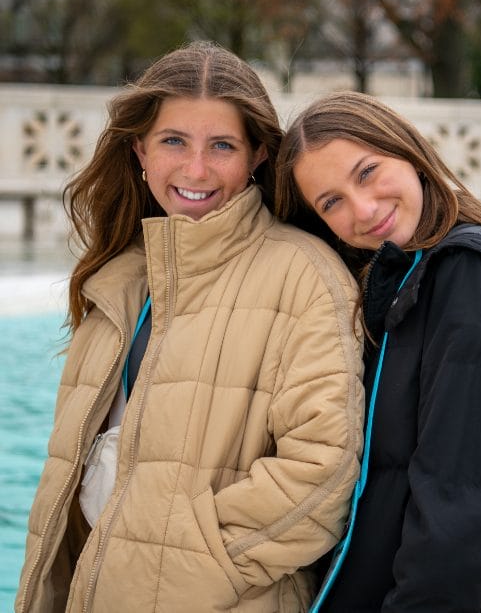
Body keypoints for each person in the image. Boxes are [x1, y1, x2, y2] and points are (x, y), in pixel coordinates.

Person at [15, 43, 365, 613]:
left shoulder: (303, 274)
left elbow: (321, 478)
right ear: (140, 150)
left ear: (256, 155)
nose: (196, 169)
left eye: (222, 146)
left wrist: (190, 565)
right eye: (174, 141)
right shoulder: (119, 277)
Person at [275, 90, 481, 612]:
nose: (362, 209)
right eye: (331, 202)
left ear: (410, 153)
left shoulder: (473, 286)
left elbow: (468, 513)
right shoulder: (409, 280)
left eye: (367, 172)